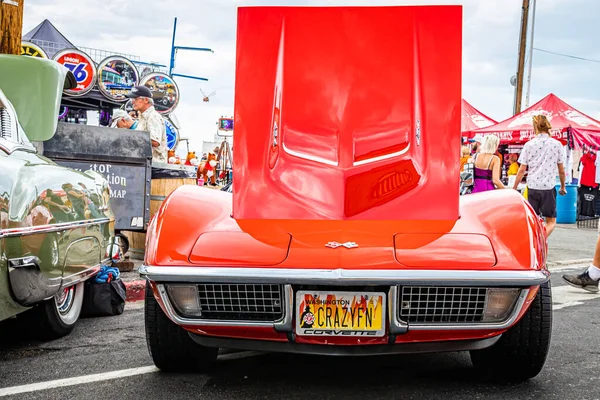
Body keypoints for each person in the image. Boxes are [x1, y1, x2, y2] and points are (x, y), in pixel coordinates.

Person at [512, 115, 566, 237]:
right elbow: (561, 170)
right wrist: (563, 186)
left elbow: (522, 170)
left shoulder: (529, 145)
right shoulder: (557, 144)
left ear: (535, 127)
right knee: (551, 221)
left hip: (532, 186)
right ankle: (541, 239)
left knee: (533, 220)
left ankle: (535, 240)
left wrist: (514, 187)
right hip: (548, 186)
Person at [126, 85, 168, 163]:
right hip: (145, 164)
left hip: (153, 166)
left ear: (145, 100)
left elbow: (155, 142)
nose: (132, 101)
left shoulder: (153, 116)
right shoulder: (143, 116)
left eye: (135, 98)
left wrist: (132, 137)